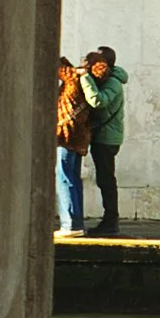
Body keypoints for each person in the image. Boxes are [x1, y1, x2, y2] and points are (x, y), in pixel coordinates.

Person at [80, 45, 128, 236]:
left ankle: (111, 221)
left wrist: (84, 78)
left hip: (108, 139)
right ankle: (109, 220)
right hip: (103, 136)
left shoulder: (113, 83)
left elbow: (98, 101)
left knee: (107, 179)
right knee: (104, 179)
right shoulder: (108, 79)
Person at [53, 58, 92, 237]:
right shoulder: (86, 82)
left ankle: (69, 224)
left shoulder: (73, 81)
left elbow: (59, 69)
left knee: (64, 178)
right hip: (79, 138)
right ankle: (76, 223)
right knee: (74, 179)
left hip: (67, 137)